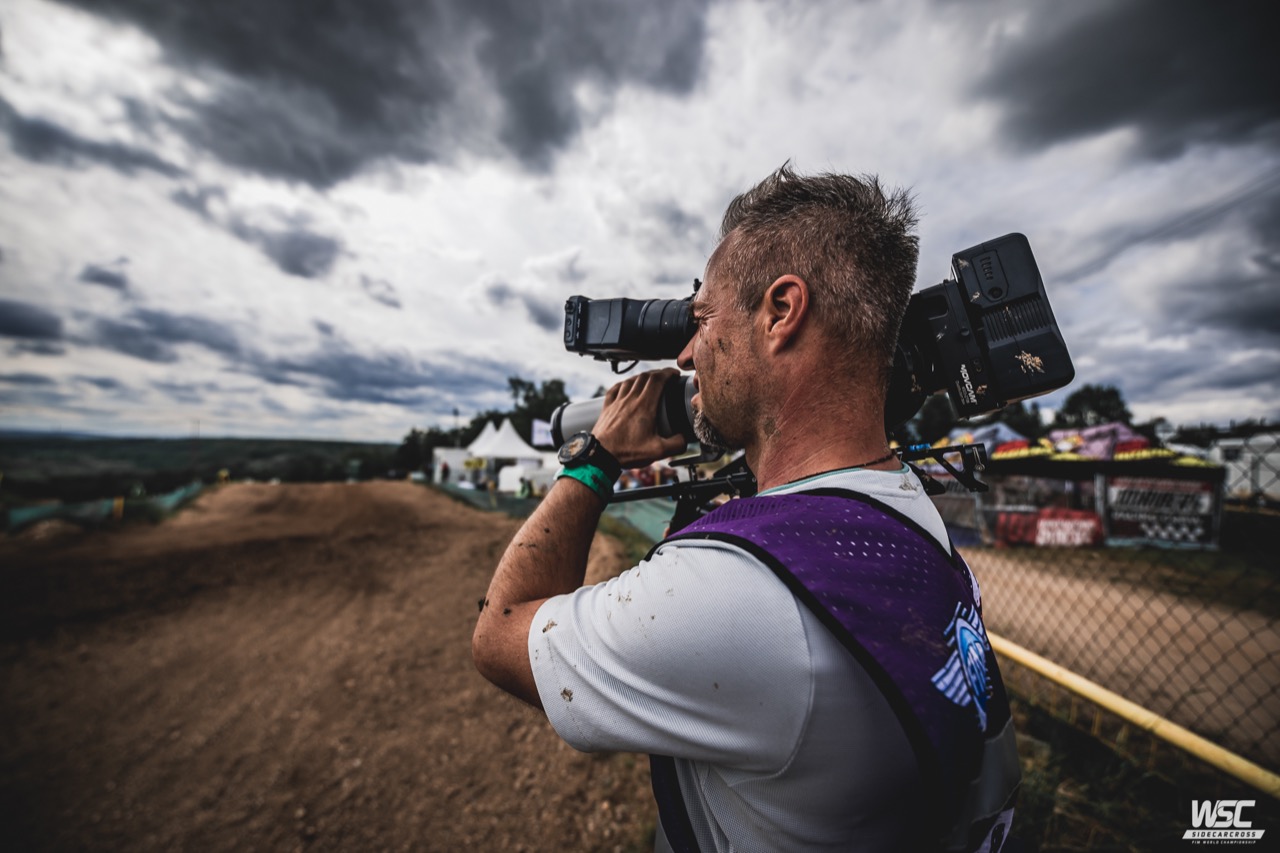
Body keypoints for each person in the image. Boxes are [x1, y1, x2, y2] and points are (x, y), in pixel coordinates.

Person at [473, 165, 1020, 852]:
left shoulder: (729, 594)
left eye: (702, 318)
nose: (686, 353)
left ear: (781, 312)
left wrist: (596, 456)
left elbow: (499, 633)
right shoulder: (907, 509)